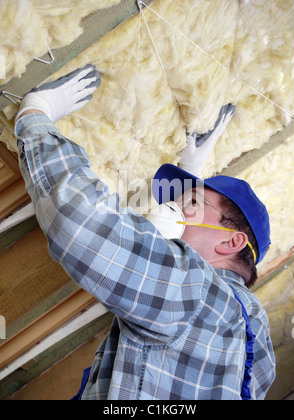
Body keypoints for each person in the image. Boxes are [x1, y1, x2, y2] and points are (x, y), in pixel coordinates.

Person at [14, 65, 275, 400]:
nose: (172, 209)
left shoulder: (196, 291)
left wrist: (36, 117)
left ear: (231, 240)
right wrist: (189, 178)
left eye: (190, 203)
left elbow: (79, 220)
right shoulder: (259, 353)